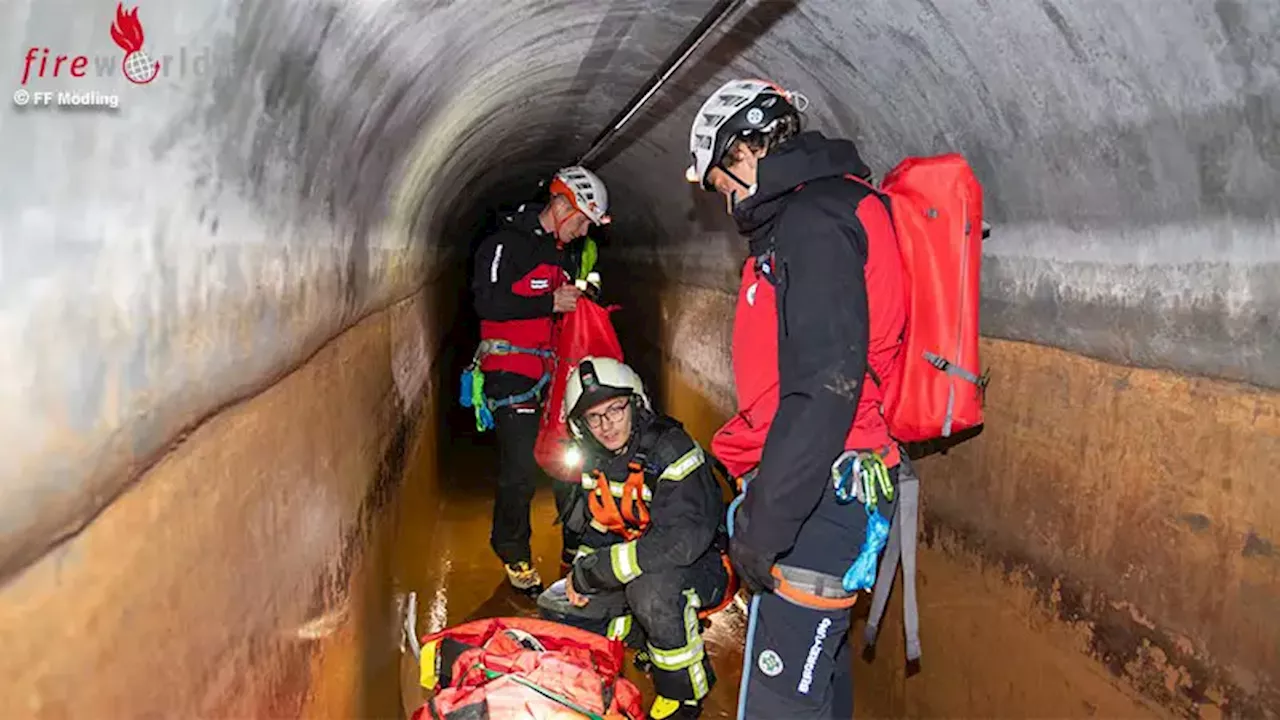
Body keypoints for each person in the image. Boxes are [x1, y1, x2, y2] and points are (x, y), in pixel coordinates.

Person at [684, 78, 909, 718]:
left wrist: (762, 531)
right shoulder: (818, 213)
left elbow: (824, 392)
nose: (724, 200)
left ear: (745, 149)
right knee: (819, 685)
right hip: (827, 492)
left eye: (721, 180)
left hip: (823, 504)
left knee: (780, 703)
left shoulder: (815, 222)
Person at [536, 357, 729, 720]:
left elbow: (682, 542)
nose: (606, 425)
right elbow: (600, 525)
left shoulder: (672, 451)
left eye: (615, 410)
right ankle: (641, 642)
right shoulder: (596, 460)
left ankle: (684, 694)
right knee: (557, 602)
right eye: (594, 417)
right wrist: (581, 573)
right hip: (641, 560)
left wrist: (601, 570)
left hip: (700, 566)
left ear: (635, 403)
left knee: (650, 593)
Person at [470, 166, 611, 594]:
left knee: (569, 456)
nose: (584, 230)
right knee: (520, 470)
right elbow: (487, 301)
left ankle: (575, 546)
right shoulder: (504, 243)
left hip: (550, 370)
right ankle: (512, 550)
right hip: (511, 373)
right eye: (583, 220)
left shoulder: (559, 252)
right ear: (563, 205)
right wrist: (549, 300)